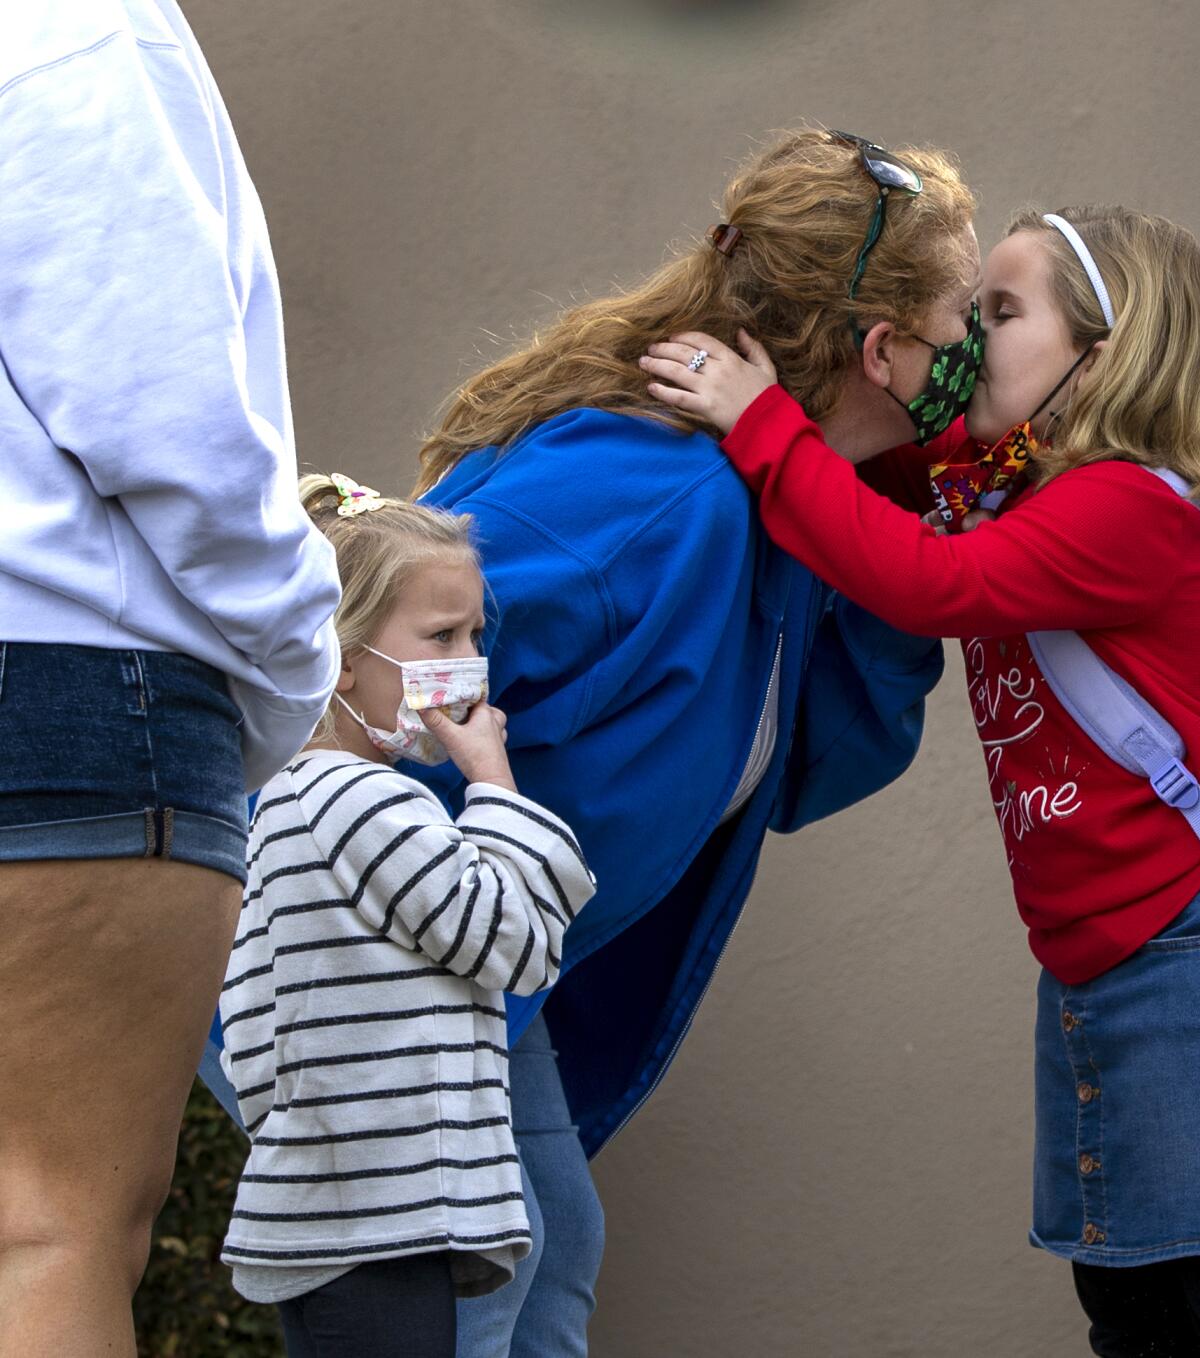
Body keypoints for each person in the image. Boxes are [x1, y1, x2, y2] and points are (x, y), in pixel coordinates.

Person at [196, 126, 972, 1356]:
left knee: (545, 1254)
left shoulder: (778, 511)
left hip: (463, 961)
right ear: (881, 351)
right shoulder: (646, 500)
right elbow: (348, 651)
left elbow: (811, 762)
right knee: (474, 1293)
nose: (972, 363)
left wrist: (887, 538)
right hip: (364, 961)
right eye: (957, 331)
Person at [642, 204, 1200, 1358]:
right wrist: (867, 375)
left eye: (998, 311)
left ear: (1103, 351)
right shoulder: (1004, 482)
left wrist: (764, 424)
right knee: (1134, 1308)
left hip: (1196, 948)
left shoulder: (1125, 503)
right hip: (1102, 955)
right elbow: (879, 480)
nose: (970, 338)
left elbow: (927, 583)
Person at [0, 3, 341, 1353]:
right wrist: (298, 660)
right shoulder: (79, 33)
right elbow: (174, 426)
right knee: (47, 1226)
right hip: (67, 673)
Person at [220, 475, 595, 1358]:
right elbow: (519, 945)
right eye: (440, 636)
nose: (470, 662)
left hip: (343, 1213)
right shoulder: (359, 800)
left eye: (475, 635)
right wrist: (494, 781)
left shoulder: (286, 796)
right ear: (340, 655)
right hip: (382, 1220)